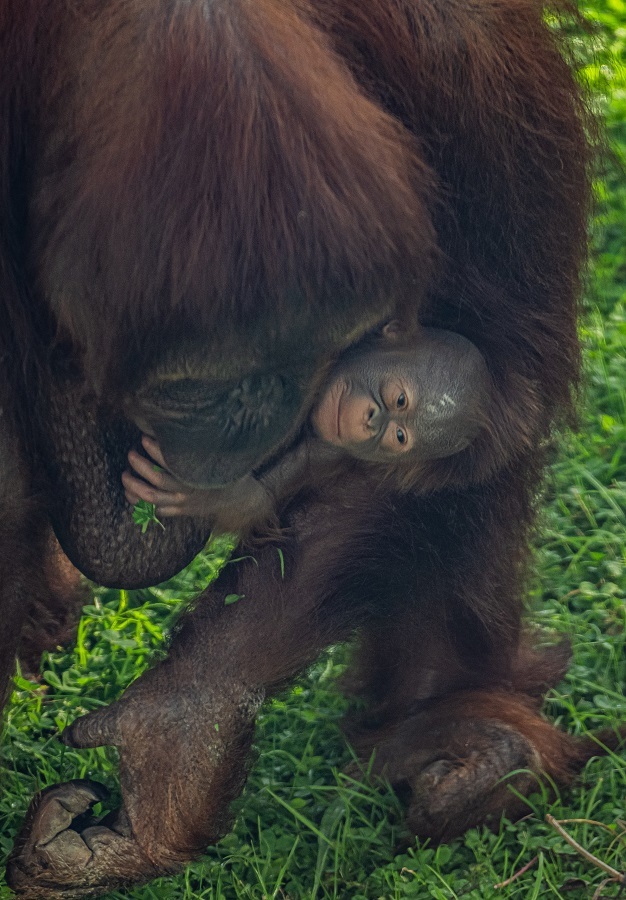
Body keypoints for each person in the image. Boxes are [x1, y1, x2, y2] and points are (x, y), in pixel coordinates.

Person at [123, 324, 491, 533]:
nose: (372, 421)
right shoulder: (329, 323)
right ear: (393, 334)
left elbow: (263, 497)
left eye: (398, 437)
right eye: (397, 399)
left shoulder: (328, 451)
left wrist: (223, 495)